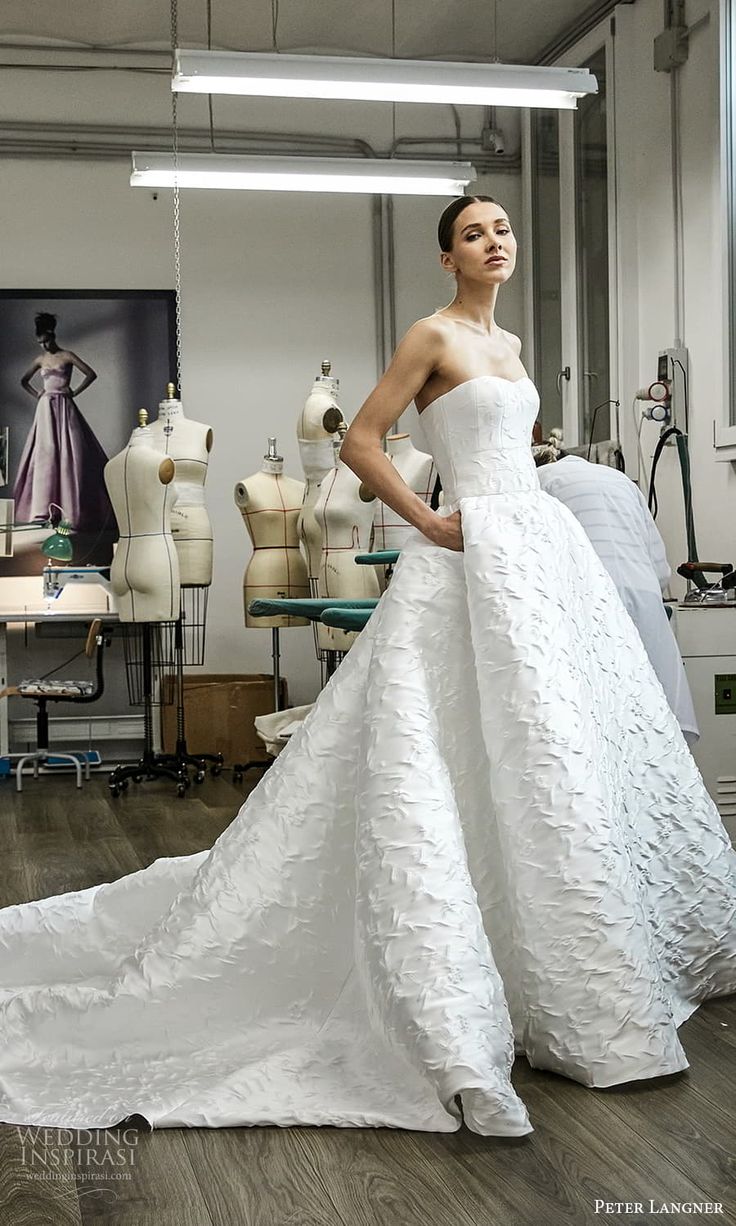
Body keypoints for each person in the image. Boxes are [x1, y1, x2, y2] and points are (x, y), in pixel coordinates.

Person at [0, 198, 734, 1141]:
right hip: (468, 548)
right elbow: (360, 442)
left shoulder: (509, 347)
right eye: (474, 233)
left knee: (549, 738)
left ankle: (564, 944)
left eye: (505, 228)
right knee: (456, 737)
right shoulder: (430, 335)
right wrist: (430, 523)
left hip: (535, 556)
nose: (496, 241)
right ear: (445, 255)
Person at [532, 444, 699, 745]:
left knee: (596, 717)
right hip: (644, 595)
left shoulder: (538, 482)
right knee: (651, 713)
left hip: (584, 597)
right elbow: (661, 570)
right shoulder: (619, 480)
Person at [13, 311, 113, 531]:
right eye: (40, 343)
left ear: (52, 335)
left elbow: (90, 373)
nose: (44, 346)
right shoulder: (40, 359)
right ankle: (46, 511)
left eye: (46, 341)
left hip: (64, 406)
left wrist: (74, 391)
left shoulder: (67, 355)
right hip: (46, 408)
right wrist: (39, 393)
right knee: (46, 454)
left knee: (71, 454)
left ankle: (71, 511)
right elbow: (23, 381)